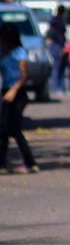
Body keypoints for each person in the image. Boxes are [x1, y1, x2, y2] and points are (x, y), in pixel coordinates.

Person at [0, 23, 38, 174]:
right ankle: (1, 163)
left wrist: (13, 91)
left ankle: (30, 163)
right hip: (6, 92)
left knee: (14, 129)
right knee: (2, 129)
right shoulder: (3, 52)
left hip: (18, 93)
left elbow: (24, 76)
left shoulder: (19, 53)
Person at [45, 5, 67, 98]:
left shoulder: (53, 20)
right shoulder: (60, 22)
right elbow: (60, 36)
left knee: (57, 67)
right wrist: (62, 47)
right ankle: (57, 87)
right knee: (57, 67)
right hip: (58, 45)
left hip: (53, 44)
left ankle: (59, 87)